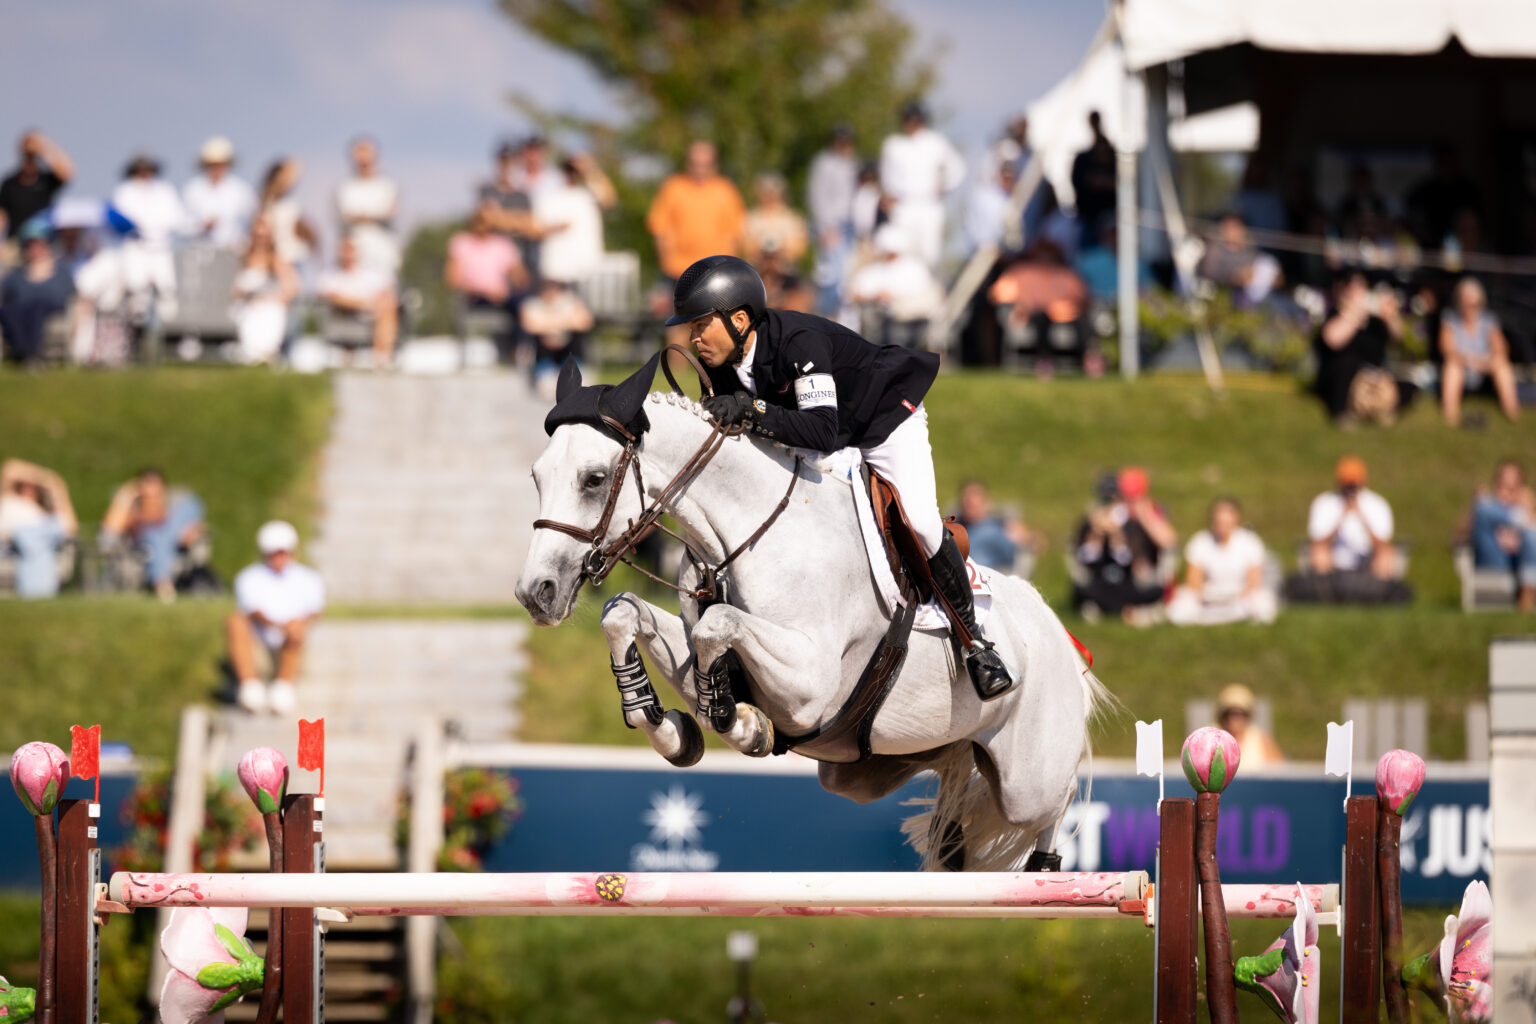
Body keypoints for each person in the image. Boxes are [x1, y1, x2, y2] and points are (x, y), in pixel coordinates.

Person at [663, 254, 1012, 699]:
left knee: (921, 521)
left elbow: (823, 432)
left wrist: (751, 411)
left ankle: (976, 642)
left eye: (699, 326)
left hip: (881, 421)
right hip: (816, 433)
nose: (692, 338)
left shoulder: (798, 342)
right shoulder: (718, 360)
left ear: (739, 319)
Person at [228, 520, 325, 715]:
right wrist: (281, 625)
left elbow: (314, 612)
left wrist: (293, 626)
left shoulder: (310, 578)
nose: (279, 557)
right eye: (274, 552)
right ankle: (250, 687)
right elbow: (252, 611)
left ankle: (284, 686)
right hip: (259, 645)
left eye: (283, 551)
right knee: (235, 621)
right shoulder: (248, 577)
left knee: (297, 626)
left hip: (292, 644)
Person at [1072, 467, 1175, 624]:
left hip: (1140, 581)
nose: (1129, 504)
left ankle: (1119, 609)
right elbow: (1088, 553)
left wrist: (1144, 515)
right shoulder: (1108, 515)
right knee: (1084, 589)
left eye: (1134, 499)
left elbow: (1169, 542)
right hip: (1111, 578)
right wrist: (1100, 529)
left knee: (1153, 591)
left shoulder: (1151, 512)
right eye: (1126, 498)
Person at [878, 101, 965, 269]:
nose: (911, 123)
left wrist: (944, 185)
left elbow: (957, 168)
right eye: (908, 119)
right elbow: (886, 176)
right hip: (903, 205)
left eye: (915, 119)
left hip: (928, 204)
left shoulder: (935, 142)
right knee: (901, 251)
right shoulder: (894, 145)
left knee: (928, 253)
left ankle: (924, 291)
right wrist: (888, 195)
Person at [645, 140, 746, 284]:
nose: (700, 169)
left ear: (714, 164)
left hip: (717, 271)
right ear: (687, 163)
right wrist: (667, 264)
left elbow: (735, 233)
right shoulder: (673, 188)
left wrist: (727, 266)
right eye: (695, 164)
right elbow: (660, 228)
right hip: (678, 271)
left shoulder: (726, 190)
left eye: (705, 164)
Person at [99, 468, 208, 601]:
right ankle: (163, 585)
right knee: (155, 535)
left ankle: (163, 585)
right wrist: (124, 496)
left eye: (156, 496)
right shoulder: (133, 513)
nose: (152, 501)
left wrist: (194, 530)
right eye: (147, 497)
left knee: (189, 505)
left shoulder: (176, 508)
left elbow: (188, 532)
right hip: (146, 551)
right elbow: (108, 536)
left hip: (176, 546)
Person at [1168, 497, 1277, 626]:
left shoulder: (1250, 542)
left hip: (1240, 598)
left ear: (1236, 519)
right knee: (1182, 603)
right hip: (1209, 598)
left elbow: (1254, 582)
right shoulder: (1200, 541)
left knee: (1263, 602)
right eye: (1219, 520)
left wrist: (1236, 598)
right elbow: (1193, 581)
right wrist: (1209, 598)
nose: (1222, 524)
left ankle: (1218, 618)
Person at [1313, 270, 1403, 425]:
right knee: (1347, 361)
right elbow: (1332, 340)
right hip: (1340, 382)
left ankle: (1381, 410)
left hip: (1371, 379)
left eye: (1363, 286)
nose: (1361, 292)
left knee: (1407, 385)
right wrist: (1355, 314)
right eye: (1355, 287)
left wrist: (1391, 317)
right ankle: (1340, 413)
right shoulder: (1336, 315)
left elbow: (1398, 338)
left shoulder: (1375, 321)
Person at [1439, 276, 1520, 425]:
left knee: (1502, 363)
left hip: (1485, 368)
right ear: (1459, 300)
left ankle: (1511, 409)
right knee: (1452, 366)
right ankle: (1450, 413)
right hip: (1462, 365)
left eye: (1473, 301)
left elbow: (1501, 347)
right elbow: (1447, 348)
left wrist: (1488, 360)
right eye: (1466, 299)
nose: (1470, 304)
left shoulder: (1489, 320)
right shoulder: (1450, 318)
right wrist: (1469, 360)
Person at [845, 225, 942, 349]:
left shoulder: (915, 268)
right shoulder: (873, 271)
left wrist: (896, 299)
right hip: (882, 320)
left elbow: (925, 297)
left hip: (912, 319)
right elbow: (854, 293)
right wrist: (875, 296)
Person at [110, 154, 183, 320]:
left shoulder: (165, 190)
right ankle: (138, 333)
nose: (144, 174)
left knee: (168, 292)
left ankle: (170, 333)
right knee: (137, 294)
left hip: (161, 249)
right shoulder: (124, 191)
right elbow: (120, 221)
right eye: (140, 170)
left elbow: (176, 218)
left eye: (147, 169)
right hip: (135, 249)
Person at [1308, 456, 1396, 578]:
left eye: (1353, 485)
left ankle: (1379, 593)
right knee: (1318, 552)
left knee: (1386, 555)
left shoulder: (1377, 504)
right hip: (1333, 560)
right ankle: (1324, 594)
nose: (1350, 490)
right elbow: (1318, 541)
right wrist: (1342, 516)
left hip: (1368, 559)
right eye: (1347, 485)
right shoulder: (1324, 502)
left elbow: (1383, 543)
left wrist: (1361, 515)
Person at [1466, 460, 1536, 613]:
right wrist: (1527, 512)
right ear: (1496, 483)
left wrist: (1529, 508)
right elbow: (1460, 532)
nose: (1506, 491)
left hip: (1520, 564)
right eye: (1502, 485)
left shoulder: (1523, 507)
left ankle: (1527, 592)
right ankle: (1527, 596)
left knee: (1531, 536)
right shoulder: (1485, 505)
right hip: (1496, 563)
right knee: (1531, 533)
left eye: (1512, 487)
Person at [0, 458, 76, 598]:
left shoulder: (44, 513)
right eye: (25, 484)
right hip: (12, 545)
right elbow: (10, 468)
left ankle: (39, 590)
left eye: (33, 486)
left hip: (39, 540)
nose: (29, 488)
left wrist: (57, 486)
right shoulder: (11, 501)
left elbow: (70, 528)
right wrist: (45, 478)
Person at [0, 221, 74, 363]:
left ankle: (28, 353)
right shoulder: (17, 272)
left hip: (48, 308)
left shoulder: (60, 270)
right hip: (20, 309)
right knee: (8, 311)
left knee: (36, 308)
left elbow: (67, 294)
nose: (36, 249)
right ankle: (25, 353)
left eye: (40, 244)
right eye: (31, 245)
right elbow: (5, 291)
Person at [317, 235, 399, 366]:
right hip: (344, 315)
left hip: (373, 314)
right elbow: (331, 296)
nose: (348, 255)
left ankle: (382, 357)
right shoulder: (332, 275)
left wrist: (375, 303)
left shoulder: (371, 274)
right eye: (345, 250)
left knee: (388, 308)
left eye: (351, 250)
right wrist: (362, 304)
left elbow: (387, 292)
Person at [532, 156, 610, 286]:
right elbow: (534, 230)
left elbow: (609, 199)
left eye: (574, 170)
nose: (571, 174)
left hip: (587, 270)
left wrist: (591, 169)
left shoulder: (589, 195)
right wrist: (556, 228)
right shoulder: (548, 197)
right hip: (557, 272)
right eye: (568, 170)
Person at [806, 125, 859, 316]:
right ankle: (827, 316)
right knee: (829, 275)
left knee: (846, 275)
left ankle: (843, 319)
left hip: (850, 227)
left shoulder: (853, 164)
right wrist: (824, 227)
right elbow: (817, 196)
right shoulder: (824, 163)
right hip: (831, 227)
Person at [230, 219, 299, 364]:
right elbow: (236, 289)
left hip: (271, 306)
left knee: (270, 312)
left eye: (264, 235)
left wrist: (267, 299)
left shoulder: (277, 259)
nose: (260, 238)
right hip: (246, 306)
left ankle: (266, 352)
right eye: (257, 234)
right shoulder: (243, 257)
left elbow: (291, 289)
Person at [335, 136, 400, 278]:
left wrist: (361, 217)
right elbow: (343, 216)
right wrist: (374, 216)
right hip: (354, 255)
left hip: (383, 252)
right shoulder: (345, 187)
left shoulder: (387, 185)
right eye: (359, 152)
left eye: (366, 151)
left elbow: (391, 213)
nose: (363, 157)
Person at [521, 277, 593, 397]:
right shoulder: (532, 304)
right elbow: (529, 325)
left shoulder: (571, 302)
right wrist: (559, 325)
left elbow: (585, 323)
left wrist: (552, 325)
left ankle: (575, 372)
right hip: (544, 349)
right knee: (540, 340)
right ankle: (546, 374)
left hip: (568, 346)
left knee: (574, 339)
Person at [0, 131, 73, 249]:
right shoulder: (9, 183)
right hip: (16, 244)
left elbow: (67, 172)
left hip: (44, 244)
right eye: (27, 155)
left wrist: (44, 147)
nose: (30, 160)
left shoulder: (47, 180)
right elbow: (1, 215)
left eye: (32, 156)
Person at [182, 136, 257, 250]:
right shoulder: (193, 189)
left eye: (220, 164)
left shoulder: (240, 189)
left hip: (232, 250)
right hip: (201, 251)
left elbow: (253, 218)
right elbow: (182, 225)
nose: (216, 169)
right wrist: (201, 226)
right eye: (212, 165)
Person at [955, 479, 1035, 574]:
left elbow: (1016, 551)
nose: (970, 502)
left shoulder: (996, 529)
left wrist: (1023, 537)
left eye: (975, 500)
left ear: (986, 502)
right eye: (967, 500)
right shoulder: (956, 526)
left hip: (980, 578)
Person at [256, 158, 318, 271]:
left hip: (292, 260)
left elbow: (310, 234)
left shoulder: (290, 206)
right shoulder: (264, 206)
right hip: (274, 262)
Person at [1069, 112, 1116, 249]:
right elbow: (1077, 182)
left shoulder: (1111, 155)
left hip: (1110, 217)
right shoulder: (1084, 159)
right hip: (1089, 217)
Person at [743, 172, 808, 269]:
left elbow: (800, 246)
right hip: (759, 270)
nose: (769, 197)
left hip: (786, 271)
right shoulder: (751, 218)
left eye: (772, 192)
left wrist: (783, 251)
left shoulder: (792, 218)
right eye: (766, 193)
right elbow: (745, 245)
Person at [1214, 684, 1284, 768]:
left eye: (1239, 713)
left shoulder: (1262, 741)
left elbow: (1279, 773)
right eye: (1228, 713)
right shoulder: (1210, 741)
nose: (1233, 718)